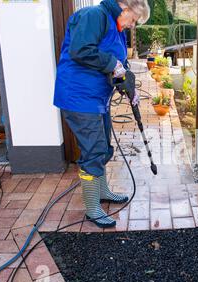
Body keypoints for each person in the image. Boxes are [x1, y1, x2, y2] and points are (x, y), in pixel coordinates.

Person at [53, 0, 150, 228]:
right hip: (80, 96)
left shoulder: (116, 29)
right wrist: (113, 64)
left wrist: (127, 85)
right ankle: (92, 208)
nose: (131, 25)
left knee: (103, 146)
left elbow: (117, 64)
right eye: (133, 20)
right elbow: (81, 50)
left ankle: (103, 191)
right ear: (125, 8)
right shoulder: (93, 15)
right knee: (93, 150)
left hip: (97, 98)